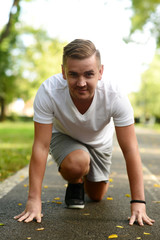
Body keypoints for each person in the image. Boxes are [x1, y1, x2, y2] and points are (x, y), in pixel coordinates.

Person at [14, 39, 155, 226]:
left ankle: (85, 178)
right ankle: (76, 179)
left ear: (100, 72)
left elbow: (130, 149)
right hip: (65, 136)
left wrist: (138, 202)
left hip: (100, 141)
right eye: (73, 74)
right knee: (77, 164)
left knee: (96, 196)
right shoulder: (48, 91)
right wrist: (33, 200)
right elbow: (41, 146)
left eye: (89, 74)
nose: (81, 83)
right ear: (63, 72)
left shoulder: (115, 95)